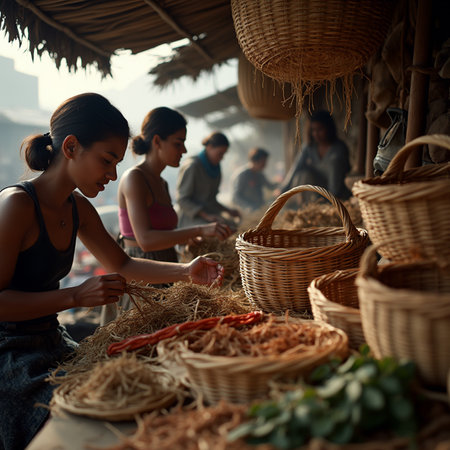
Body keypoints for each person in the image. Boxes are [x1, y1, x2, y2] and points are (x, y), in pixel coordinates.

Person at [0, 93, 224, 450]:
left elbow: (122, 263)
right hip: (10, 355)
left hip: (52, 341)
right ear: (71, 147)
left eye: (117, 162)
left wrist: (186, 271)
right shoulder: (16, 205)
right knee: (80, 424)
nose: (113, 174)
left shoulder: (79, 208)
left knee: (135, 392)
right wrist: (73, 296)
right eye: (107, 160)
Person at [100, 107, 232, 325]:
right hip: (142, 274)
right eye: (178, 143)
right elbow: (146, 240)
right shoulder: (134, 178)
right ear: (158, 141)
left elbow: (164, 232)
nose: (184, 149)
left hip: (168, 266)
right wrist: (199, 229)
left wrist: (188, 240)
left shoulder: (161, 183)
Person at [279, 110, 352, 203]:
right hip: (318, 192)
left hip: (338, 195)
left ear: (329, 129)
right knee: (304, 173)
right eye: (313, 130)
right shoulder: (310, 147)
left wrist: (331, 201)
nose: (316, 134)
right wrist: (284, 189)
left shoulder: (339, 148)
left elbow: (338, 179)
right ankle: (306, 206)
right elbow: (296, 167)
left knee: (335, 161)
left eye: (320, 129)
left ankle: (329, 204)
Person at [175, 131, 241, 228]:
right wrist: (206, 216)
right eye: (220, 153)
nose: (222, 158)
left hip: (210, 215)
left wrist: (228, 210)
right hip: (191, 218)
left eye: (223, 154)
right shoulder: (192, 166)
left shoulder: (216, 168)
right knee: (221, 231)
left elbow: (210, 200)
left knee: (233, 227)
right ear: (209, 147)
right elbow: (182, 200)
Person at [231, 147, 278, 212]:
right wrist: (249, 206)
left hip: (259, 208)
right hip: (246, 212)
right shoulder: (243, 175)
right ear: (255, 161)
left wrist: (279, 183)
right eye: (263, 162)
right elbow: (235, 197)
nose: (265, 165)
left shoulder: (260, 174)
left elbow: (270, 186)